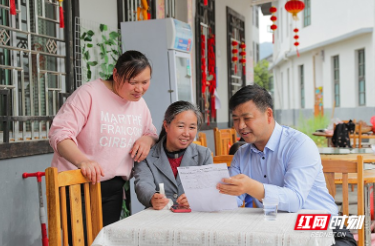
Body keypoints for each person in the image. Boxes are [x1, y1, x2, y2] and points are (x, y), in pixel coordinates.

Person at [217, 84, 356, 246]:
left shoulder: (298, 145)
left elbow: (294, 200)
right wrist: (202, 199)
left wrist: (251, 186)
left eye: (247, 118)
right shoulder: (241, 155)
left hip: (326, 230)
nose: (240, 126)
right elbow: (230, 199)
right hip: (275, 231)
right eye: (235, 119)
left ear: (268, 114)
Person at [49, 50, 158, 229]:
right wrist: (82, 161)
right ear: (116, 74)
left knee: (104, 240)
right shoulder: (88, 94)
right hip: (77, 186)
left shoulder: (139, 103)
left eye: (145, 82)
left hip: (113, 189)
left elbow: (151, 132)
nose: (139, 89)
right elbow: (60, 134)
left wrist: (147, 139)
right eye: (133, 82)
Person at [134, 101, 213, 210]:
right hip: (159, 219)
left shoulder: (203, 155)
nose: (186, 133)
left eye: (192, 127)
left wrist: (196, 198)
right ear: (166, 126)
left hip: (193, 217)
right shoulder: (147, 155)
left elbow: (209, 188)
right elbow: (143, 184)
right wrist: (153, 198)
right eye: (181, 126)